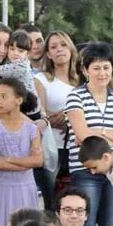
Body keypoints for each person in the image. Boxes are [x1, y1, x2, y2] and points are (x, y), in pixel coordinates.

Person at [65, 42, 113, 226]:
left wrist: (100, 132)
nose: (102, 73)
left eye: (106, 67)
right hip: (85, 170)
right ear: (85, 70)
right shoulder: (75, 96)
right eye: (96, 68)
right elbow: (82, 135)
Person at [0, 78, 42, 226]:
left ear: (18, 100)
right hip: (3, 187)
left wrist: (8, 159)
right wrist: (25, 162)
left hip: (26, 186)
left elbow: (38, 160)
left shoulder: (32, 129)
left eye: (4, 96)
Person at [36, 30, 80, 188]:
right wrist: (59, 118)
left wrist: (68, 117)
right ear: (48, 54)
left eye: (63, 45)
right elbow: (40, 114)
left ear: (71, 49)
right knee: (51, 203)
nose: (59, 49)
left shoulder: (82, 81)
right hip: (51, 148)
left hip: (78, 149)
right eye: (54, 47)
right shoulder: (41, 79)